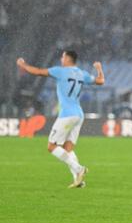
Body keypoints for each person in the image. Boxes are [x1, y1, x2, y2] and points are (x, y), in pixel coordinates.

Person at [16, 50, 105, 188]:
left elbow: (38, 71)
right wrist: (99, 69)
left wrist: (23, 65)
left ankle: (79, 168)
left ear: (68, 59)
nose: (61, 58)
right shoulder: (82, 73)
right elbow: (101, 81)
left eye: (63, 56)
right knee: (68, 149)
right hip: (79, 115)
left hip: (67, 115)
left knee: (51, 147)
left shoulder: (60, 71)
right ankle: (78, 180)